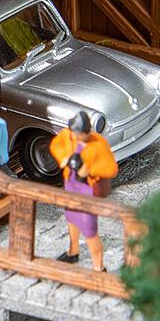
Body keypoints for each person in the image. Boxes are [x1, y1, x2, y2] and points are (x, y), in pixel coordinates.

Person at [50, 110, 118, 271]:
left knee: (89, 228)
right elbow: (55, 145)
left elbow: (111, 169)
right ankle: (73, 251)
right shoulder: (69, 135)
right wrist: (64, 158)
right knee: (71, 217)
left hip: (88, 189)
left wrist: (90, 169)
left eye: (80, 134)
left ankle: (98, 267)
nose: (77, 136)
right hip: (71, 184)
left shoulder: (98, 144)